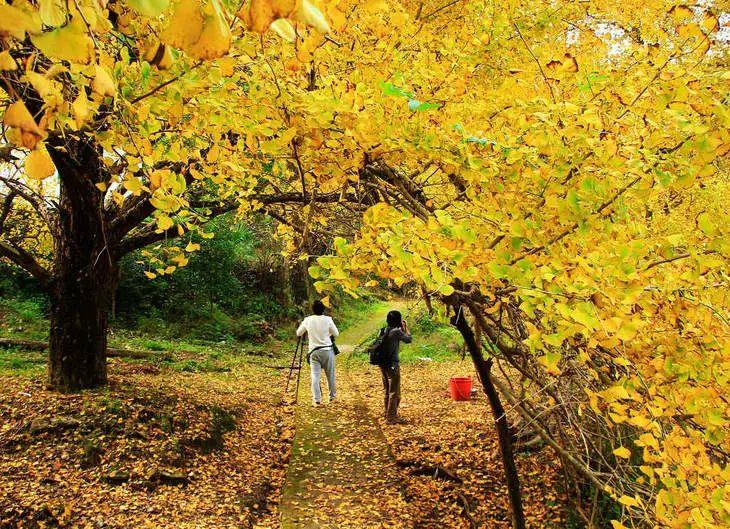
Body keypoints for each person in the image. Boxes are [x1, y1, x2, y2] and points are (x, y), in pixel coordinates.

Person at [296, 300, 339, 406]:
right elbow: (336, 333)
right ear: (323, 309)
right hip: (327, 351)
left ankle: (317, 400)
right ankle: (332, 397)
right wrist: (327, 334)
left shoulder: (308, 320)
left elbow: (298, 333)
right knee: (331, 375)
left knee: (315, 376)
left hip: (314, 352)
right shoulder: (328, 319)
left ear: (312, 309)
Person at [380, 310, 412, 424]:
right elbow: (408, 339)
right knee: (395, 391)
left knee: (387, 390)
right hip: (392, 365)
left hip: (382, 364)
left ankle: (387, 413)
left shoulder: (384, 330)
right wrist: (405, 327)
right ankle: (391, 418)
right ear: (398, 320)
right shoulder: (396, 332)